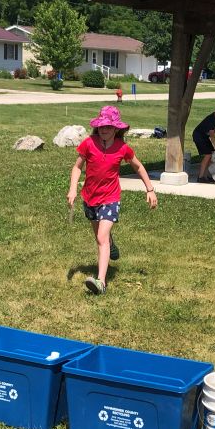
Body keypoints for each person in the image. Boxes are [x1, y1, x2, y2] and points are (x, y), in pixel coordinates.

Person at [67, 106, 158, 295]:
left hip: (110, 198)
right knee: (100, 237)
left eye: (108, 126)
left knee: (101, 238)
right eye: (102, 126)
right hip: (90, 197)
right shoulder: (89, 143)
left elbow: (138, 167)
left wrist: (150, 189)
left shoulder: (122, 148)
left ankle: (101, 282)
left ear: (116, 129)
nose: (104, 129)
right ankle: (110, 241)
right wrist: (73, 189)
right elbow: (77, 167)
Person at [192, 101, 215, 183]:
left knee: (211, 155)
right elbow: (212, 136)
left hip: (204, 136)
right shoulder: (212, 119)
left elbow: (213, 130)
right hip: (199, 136)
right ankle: (200, 177)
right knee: (208, 155)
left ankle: (206, 176)